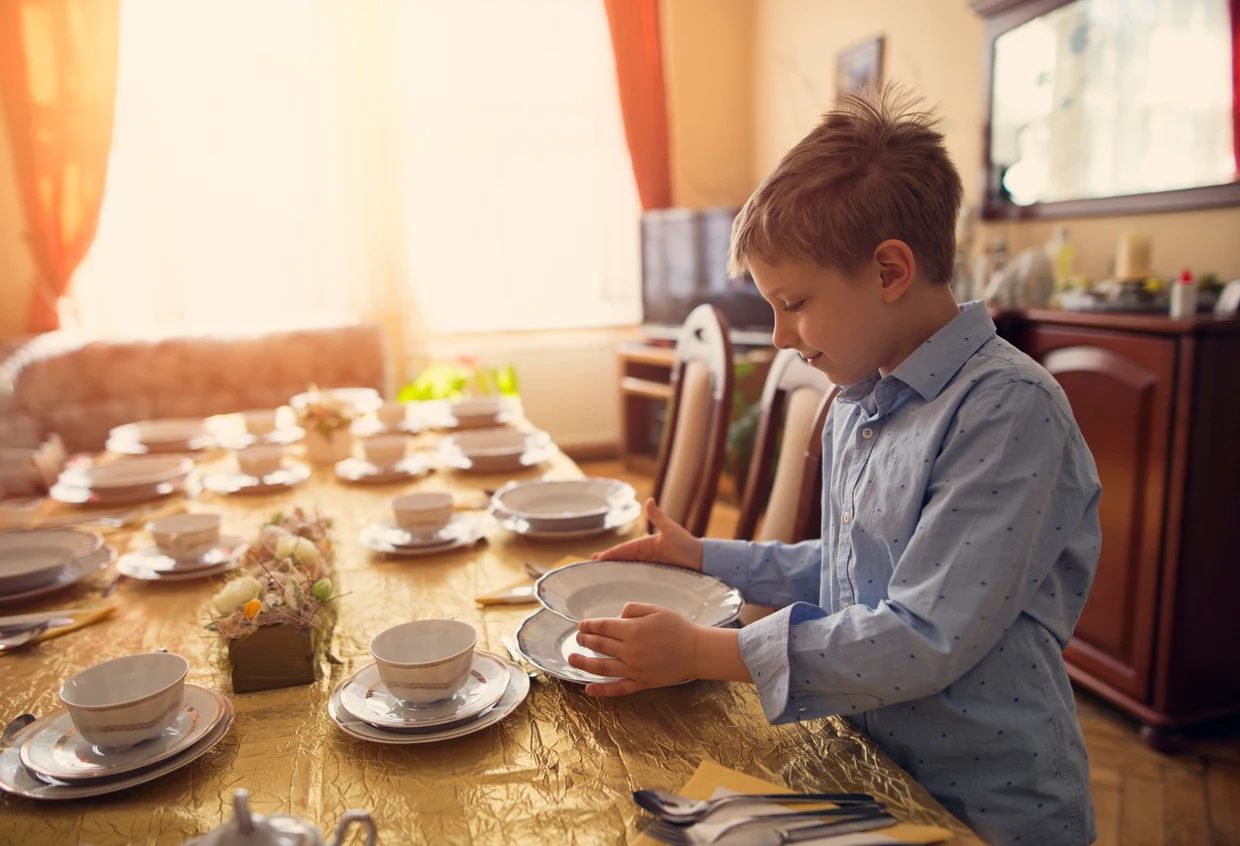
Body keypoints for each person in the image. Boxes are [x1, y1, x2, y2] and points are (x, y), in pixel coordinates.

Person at [570, 86, 1102, 845]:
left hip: (988, 803)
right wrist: (705, 557)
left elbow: (921, 632)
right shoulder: (861, 395)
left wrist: (704, 651)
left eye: (794, 302)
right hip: (869, 768)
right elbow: (855, 568)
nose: (782, 335)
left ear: (890, 271)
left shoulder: (1008, 410)